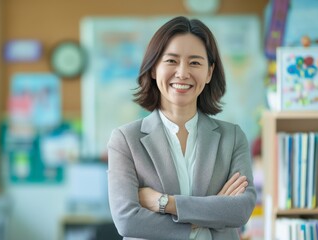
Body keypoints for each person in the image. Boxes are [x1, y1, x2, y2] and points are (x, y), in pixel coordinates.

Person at [107, 16, 256, 240]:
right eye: (171, 61)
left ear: (209, 72)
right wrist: (208, 219)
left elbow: (240, 210)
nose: (183, 73)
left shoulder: (232, 137)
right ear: (154, 68)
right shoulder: (125, 139)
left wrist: (164, 203)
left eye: (195, 62)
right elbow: (127, 221)